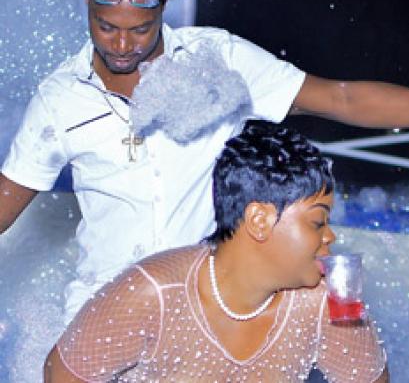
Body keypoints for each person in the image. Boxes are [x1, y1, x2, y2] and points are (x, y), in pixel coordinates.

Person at [0, 0, 409, 324]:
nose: (121, 45)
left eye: (139, 30)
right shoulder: (60, 98)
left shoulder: (215, 61)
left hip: (207, 316)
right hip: (105, 312)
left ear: (165, 2)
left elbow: (343, 99)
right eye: (107, 27)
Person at [44, 122, 389, 382]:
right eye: (317, 223)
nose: (330, 237)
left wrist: (349, 318)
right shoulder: (155, 295)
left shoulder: (324, 301)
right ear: (259, 220)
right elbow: (61, 377)